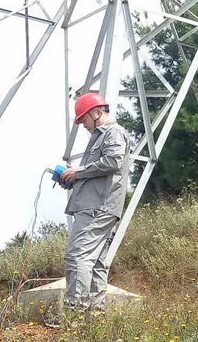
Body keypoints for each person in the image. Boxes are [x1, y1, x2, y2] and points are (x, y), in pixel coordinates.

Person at [59, 92, 131, 313]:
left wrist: (78, 172)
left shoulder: (113, 132)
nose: (83, 126)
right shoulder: (103, 135)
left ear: (97, 112)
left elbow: (112, 161)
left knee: (77, 256)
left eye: (84, 120)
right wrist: (74, 179)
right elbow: (100, 170)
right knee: (96, 260)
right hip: (99, 206)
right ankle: (96, 313)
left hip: (97, 208)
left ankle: (74, 312)